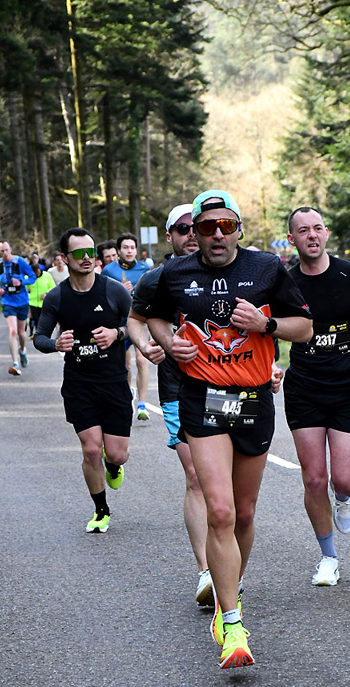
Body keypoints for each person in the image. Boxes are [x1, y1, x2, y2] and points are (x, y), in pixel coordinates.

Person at [135, 189, 312, 669]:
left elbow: (304, 327)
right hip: (203, 399)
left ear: (238, 229)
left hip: (253, 399)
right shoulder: (174, 273)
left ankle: (227, 589)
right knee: (220, 510)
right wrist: (167, 342)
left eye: (226, 226)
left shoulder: (267, 268)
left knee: (245, 513)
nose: (216, 234)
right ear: (194, 231)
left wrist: (265, 324)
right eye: (206, 227)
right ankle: (232, 621)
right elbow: (147, 315)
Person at [284, 206, 350, 587]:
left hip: (347, 387)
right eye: (303, 230)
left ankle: (344, 497)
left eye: (318, 228)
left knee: (347, 481)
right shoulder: (285, 281)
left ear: (326, 234)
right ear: (291, 239)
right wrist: (270, 367)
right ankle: (328, 557)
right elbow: (269, 328)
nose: (312, 235)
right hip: (304, 389)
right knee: (313, 479)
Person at [129, 204, 213, 606]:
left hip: (228, 386)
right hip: (179, 389)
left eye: (196, 227)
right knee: (196, 476)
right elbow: (135, 319)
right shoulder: (156, 279)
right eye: (182, 229)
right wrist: (146, 345)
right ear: (169, 236)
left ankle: (229, 561)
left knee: (229, 486)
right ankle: (206, 571)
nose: (191, 234)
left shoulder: (228, 273)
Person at [33, 227, 135, 534]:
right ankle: (101, 510)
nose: (86, 258)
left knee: (116, 453)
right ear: (65, 258)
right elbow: (39, 337)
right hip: (79, 383)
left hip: (114, 382)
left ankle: (113, 465)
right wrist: (56, 344)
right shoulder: (57, 296)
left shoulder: (114, 291)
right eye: (79, 253)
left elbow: (137, 326)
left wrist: (116, 333)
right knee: (91, 450)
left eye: (90, 252)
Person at [102, 233, 152, 420]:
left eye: (132, 247)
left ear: (136, 250)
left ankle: (142, 405)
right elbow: (103, 297)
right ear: (118, 250)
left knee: (141, 360)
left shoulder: (145, 269)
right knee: (126, 364)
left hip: (140, 321)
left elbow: (151, 294)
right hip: (119, 324)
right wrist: (120, 291)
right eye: (125, 247)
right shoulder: (108, 270)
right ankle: (129, 392)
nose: (129, 251)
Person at [0, 240, 37, 375]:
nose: (5, 253)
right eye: (2, 251)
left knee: (21, 333)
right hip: (7, 301)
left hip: (22, 301)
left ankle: (22, 351)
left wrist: (21, 282)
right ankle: (15, 363)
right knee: (13, 331)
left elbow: (32, 277)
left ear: (10, 249)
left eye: (6, 250)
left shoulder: (20, 261)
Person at [27, 261, 56, 338]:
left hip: (44, 302)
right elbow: (25, 289)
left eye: (37, 272)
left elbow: (53, 287)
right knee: (36, 319)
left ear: (39, 270)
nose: (37, 274)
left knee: (44, 320)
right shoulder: (29, 277)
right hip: (33, 302)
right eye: (35, 272)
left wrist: (46, 294)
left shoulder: (47, 275)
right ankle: (39, 335)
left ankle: (45, 335)